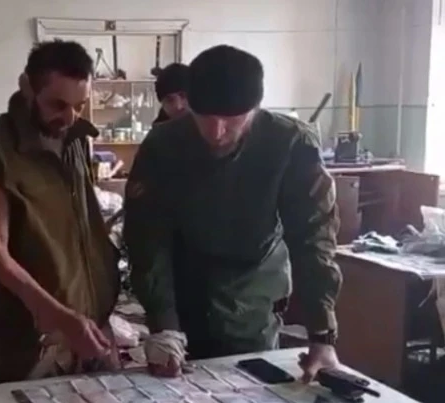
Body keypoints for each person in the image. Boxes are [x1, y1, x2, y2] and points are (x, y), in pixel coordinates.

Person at [124, 45, 341, 382]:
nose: (216, 132)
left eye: (231, 119)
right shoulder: (163, 145)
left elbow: (313, 239)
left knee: (250, 392)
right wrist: (163, 325)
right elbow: (147, 240)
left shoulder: (290, 143)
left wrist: (321, 335)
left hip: (252, 299)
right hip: (181, 294)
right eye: (204, 117)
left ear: (255, 109)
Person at [0, 40, 121, 383]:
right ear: (27, 87)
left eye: (79, 105)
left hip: (90, 320)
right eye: (57, 104)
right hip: (33, 336)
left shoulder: (75, 136)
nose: (69, 117)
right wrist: (59, 317)